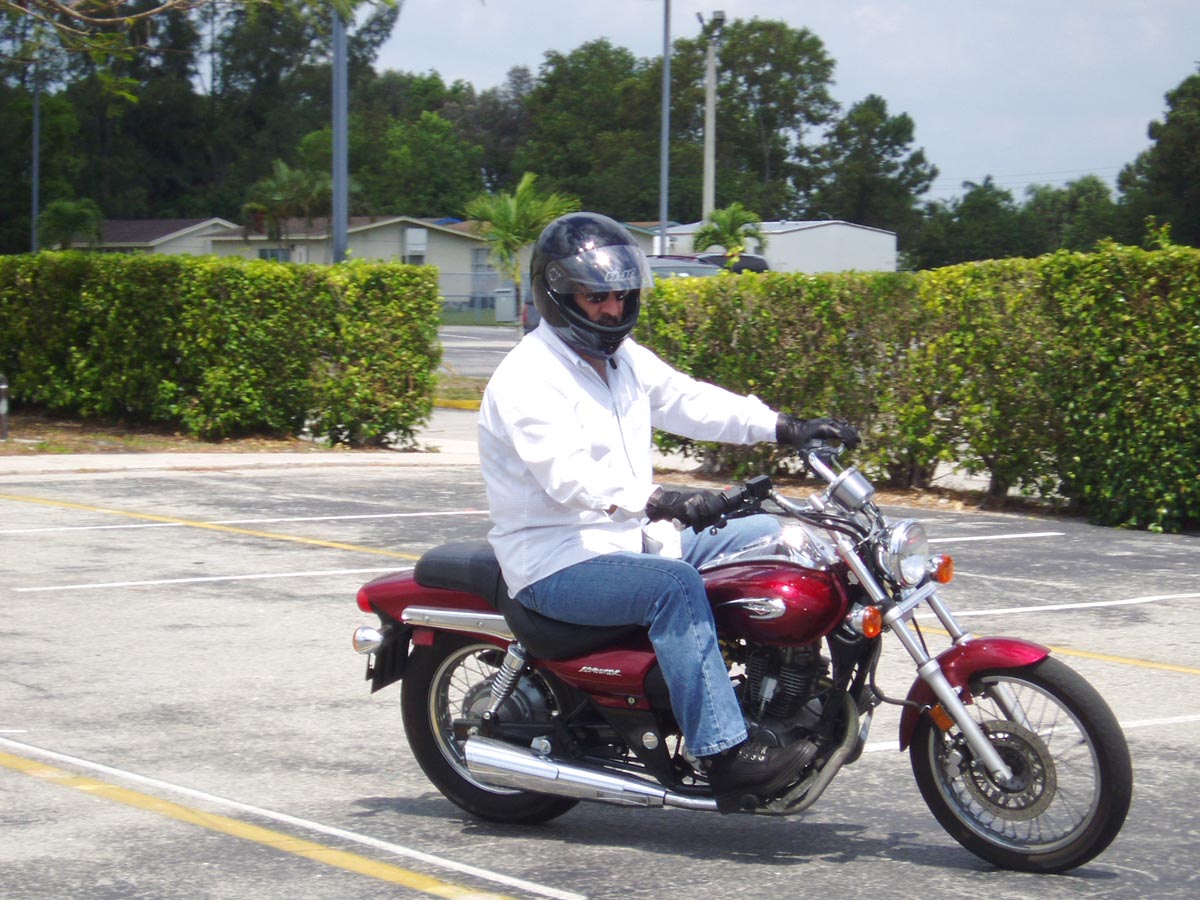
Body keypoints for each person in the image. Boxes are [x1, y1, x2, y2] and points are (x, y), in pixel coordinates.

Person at [477, 212, 859, 809]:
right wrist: (661, 500)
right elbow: (568, 475)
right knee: (674, 587)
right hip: (556, 560)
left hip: (630, 538)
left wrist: (785, 427)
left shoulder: (622, 360)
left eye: (621, 295)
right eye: (597, 297)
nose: (612, 309)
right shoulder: (528, 376)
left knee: (774, 536)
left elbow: (689, 400)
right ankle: (724, 751)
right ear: (559, 294)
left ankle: (788, 694)